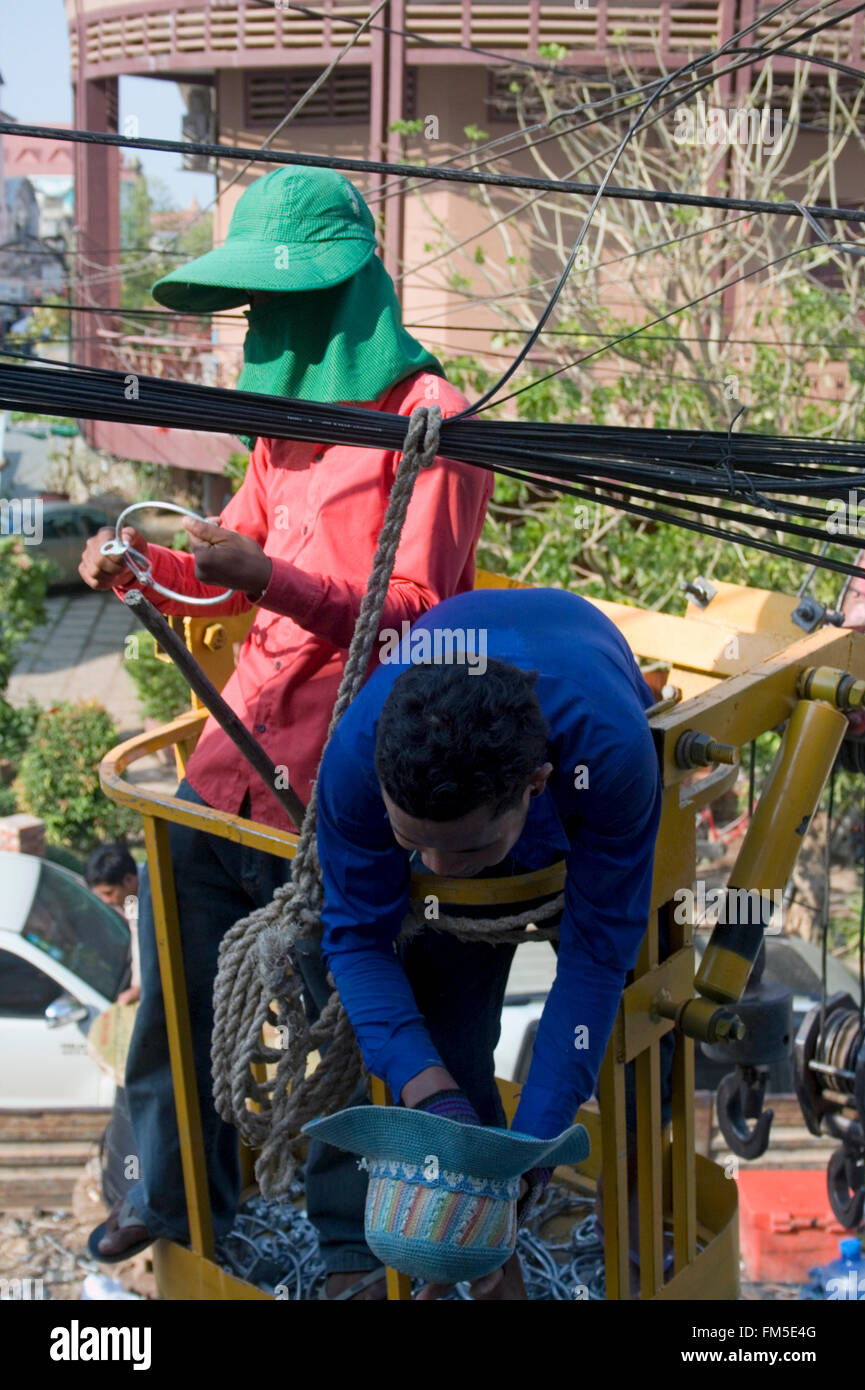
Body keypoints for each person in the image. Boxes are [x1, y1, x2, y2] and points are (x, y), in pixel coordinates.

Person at [77, 165, 494, 1290]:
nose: (260, 328)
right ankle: (166, 1192)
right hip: (235, 761)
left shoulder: (432, 422)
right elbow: (227, 568)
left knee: (339, 1011)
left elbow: (417, 612)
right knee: (177, 974)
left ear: (341, 296)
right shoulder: (279, 424)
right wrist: (148, 566)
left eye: (275, 306)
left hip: (346, 776)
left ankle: (346, 1253)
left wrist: (272, 575)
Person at [312, 586, 663, 1299]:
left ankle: (631, 1224)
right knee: (439, 1005)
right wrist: (433, 1101)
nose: (439, 872)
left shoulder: (615, 757)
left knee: (639, 1019)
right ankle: (478, 1253)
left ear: (538, 784)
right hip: (475, 679)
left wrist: (531, 1156)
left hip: (587, 666)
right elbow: (356, 941)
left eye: (468, 850)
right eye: (416, 845)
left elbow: (597, 957)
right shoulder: (353, 761)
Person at [84, 843, 144, 1006]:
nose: (106, 901)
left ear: (129, 880)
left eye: (109, 893)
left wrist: (138, 987)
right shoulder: (132, 898)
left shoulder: (152, 897)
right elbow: (137, 937)